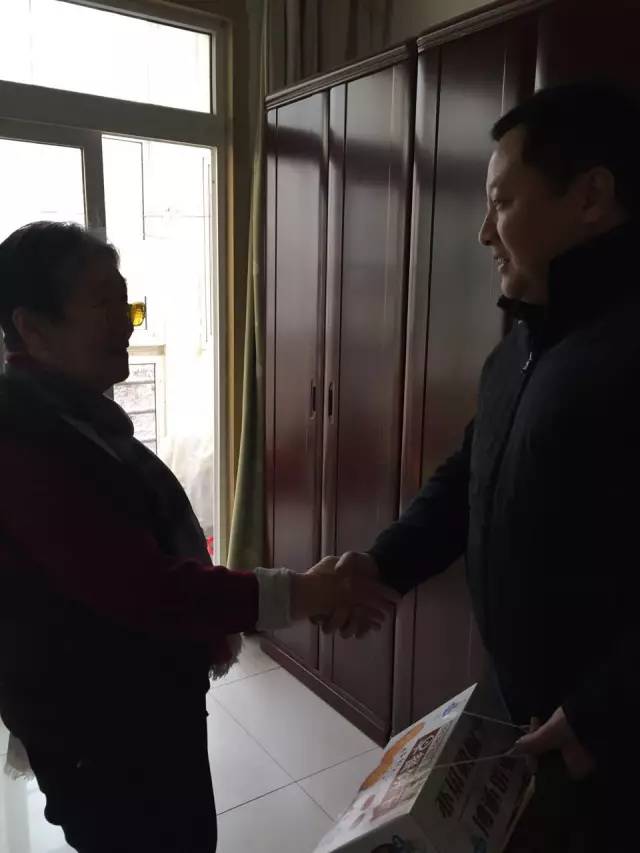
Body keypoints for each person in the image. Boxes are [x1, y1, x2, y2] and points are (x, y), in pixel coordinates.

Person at [0, 221, 394, 853]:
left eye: (127, 302)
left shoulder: (72, 417)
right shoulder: (22, 443)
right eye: (103, 303)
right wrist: (304, 593)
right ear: (33, 327)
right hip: (102, 734)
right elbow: (145, 587)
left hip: (142, 710)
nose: (127, 324)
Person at [317, 82, 640, 852]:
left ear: (590, 197)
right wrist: (382, 565)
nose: (484, 232)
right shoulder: (525, 344)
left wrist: (601, 711)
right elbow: (471, 477)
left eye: (502, 202)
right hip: (525, 717)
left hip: (607, 743)